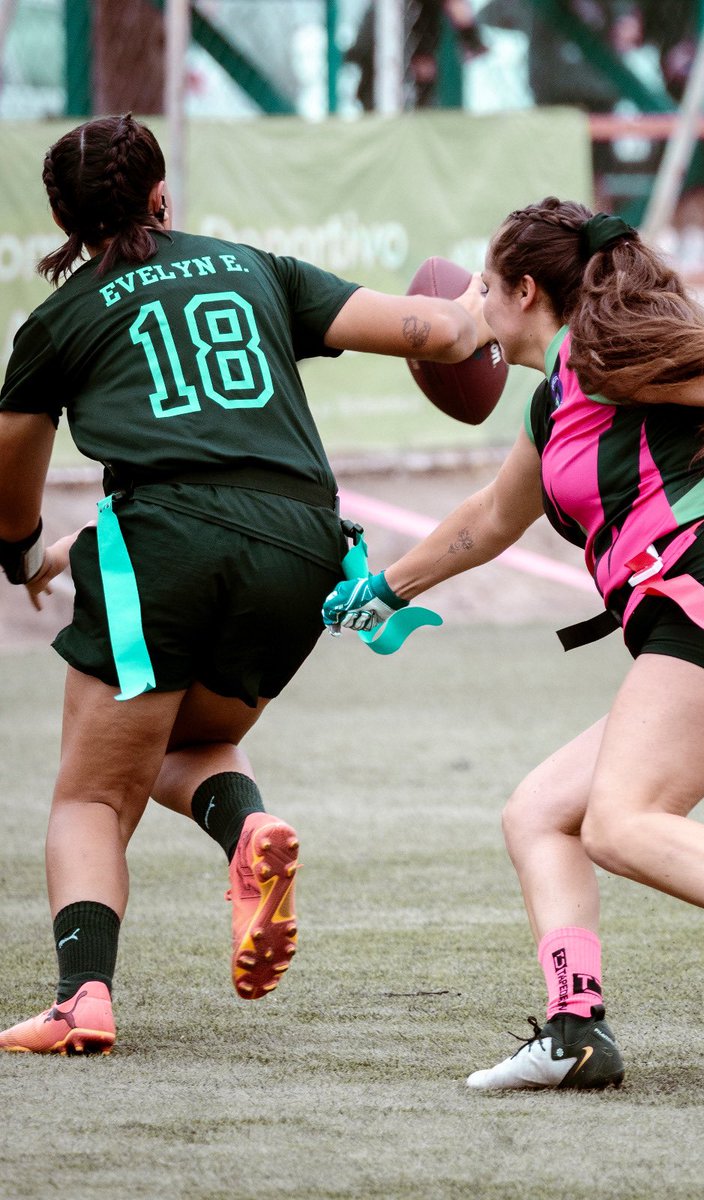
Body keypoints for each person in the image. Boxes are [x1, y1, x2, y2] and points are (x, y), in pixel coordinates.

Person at [323, 197, 704, 1090]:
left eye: (489, 286)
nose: (479, 304)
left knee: (617, 821)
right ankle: (576, 1031)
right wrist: (384, 590)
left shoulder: (604, 355)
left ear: (526, 291)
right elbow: (491, 520)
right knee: (540, 813)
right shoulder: (552, 401)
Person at [0, 113, 486, 1055]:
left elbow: (10, 467)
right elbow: (437, 332)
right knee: (195, 741)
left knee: (92, 796)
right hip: (303, 543)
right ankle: (248, 828)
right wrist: (485, 304)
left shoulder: (57, 319)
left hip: (169, 543)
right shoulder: (255, 266)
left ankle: (81, 998)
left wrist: (22, 552)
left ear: (63, 218)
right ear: (158, 192)